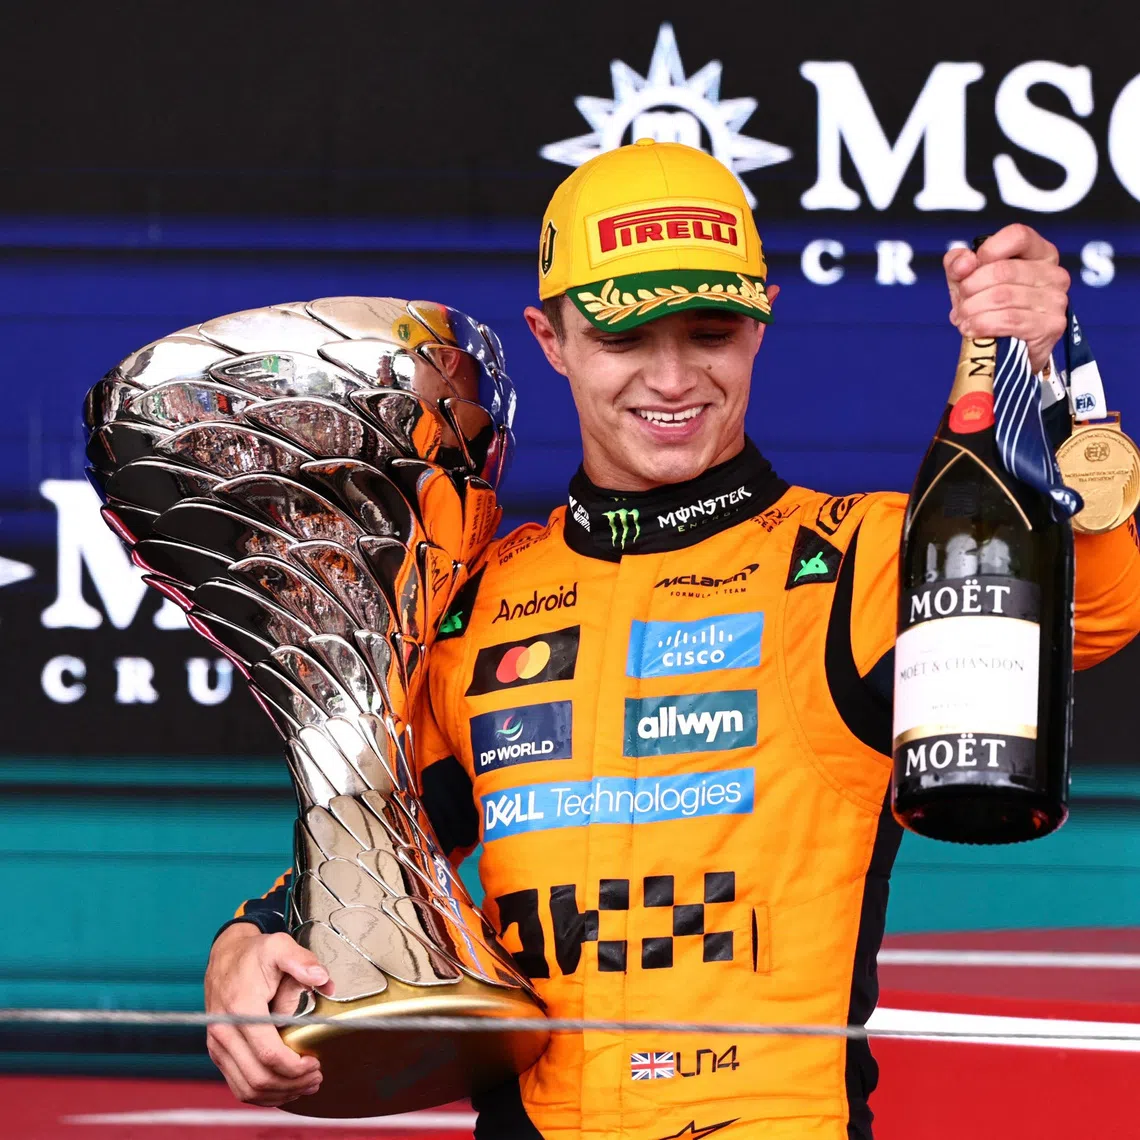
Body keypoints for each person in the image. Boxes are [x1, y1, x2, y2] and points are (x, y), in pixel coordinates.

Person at [204, 140, 1140, 1139]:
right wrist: (249, 938)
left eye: (710, 332)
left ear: (761, 320)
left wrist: (1045, 378)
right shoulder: (476, 597)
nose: (672, 377)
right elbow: (380, 839)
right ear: (551, 338)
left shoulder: (857, 558)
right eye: (624, 338)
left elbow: (1093, 610)